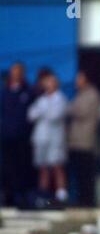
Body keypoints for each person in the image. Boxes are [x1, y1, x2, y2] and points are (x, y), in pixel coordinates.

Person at [27, 74, 68, 203]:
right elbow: (30, 115)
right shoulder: (41, 99)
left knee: (56, 165)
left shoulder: (60, 99)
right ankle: (43, 195)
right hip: (41, 138)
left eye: (51, 82)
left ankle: (61, 195)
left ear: (56, 84)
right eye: (46, 82)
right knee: (43, 167)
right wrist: (43, 111)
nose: (48, 85)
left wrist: (42, 112)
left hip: (55, 138)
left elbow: (54, 116)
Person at [0, 63, 35, 207]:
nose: (16, 74)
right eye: (13, 71)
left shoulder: (29, 91)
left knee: (22, 168)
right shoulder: (4, 91)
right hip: (6, 137)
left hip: (22, 138)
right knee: (6, 168)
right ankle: (7, 196)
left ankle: (22, 196)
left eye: (18, 71)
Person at [67, 71, 100, 207]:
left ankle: (88, 201)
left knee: (87, 173)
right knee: (80, 174)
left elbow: (79, 111)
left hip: (86, 141)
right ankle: (81, 200)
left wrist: (70, 108)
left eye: (79, 78)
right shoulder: (79, 94)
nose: (76, 81)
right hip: (76, 141)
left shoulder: (92, 94)